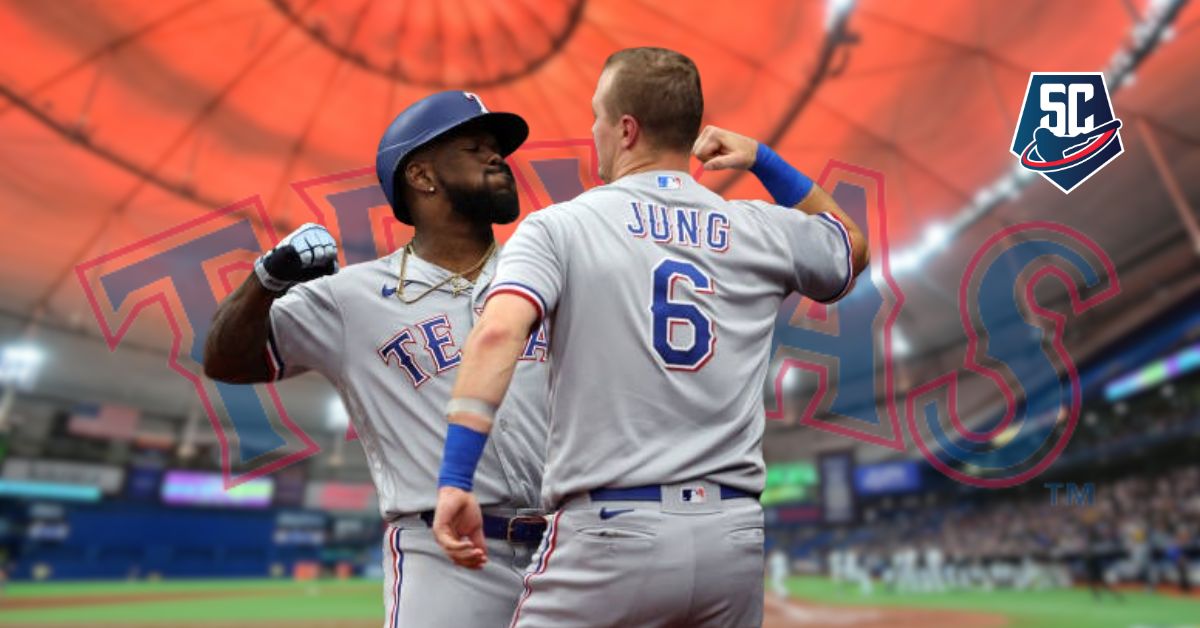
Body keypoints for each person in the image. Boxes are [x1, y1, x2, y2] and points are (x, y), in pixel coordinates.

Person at [430, 46, 868, 626]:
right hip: (731, 540)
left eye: (598, 116)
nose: (594, 130)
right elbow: (852, 246)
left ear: (627, 129)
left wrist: (456, 478)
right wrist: (763, 160)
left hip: (609, 535)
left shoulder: (561, 227)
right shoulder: (762, 229)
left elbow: (495, 336)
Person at [204, 90, 551, 627]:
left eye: (496, 148)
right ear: (422, 176)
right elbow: (226, 361)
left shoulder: (546, 276)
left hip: (570, 547)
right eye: (475, 146)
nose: (497, 157)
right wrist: (265, 279)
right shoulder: (352, 298)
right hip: (444, 559)